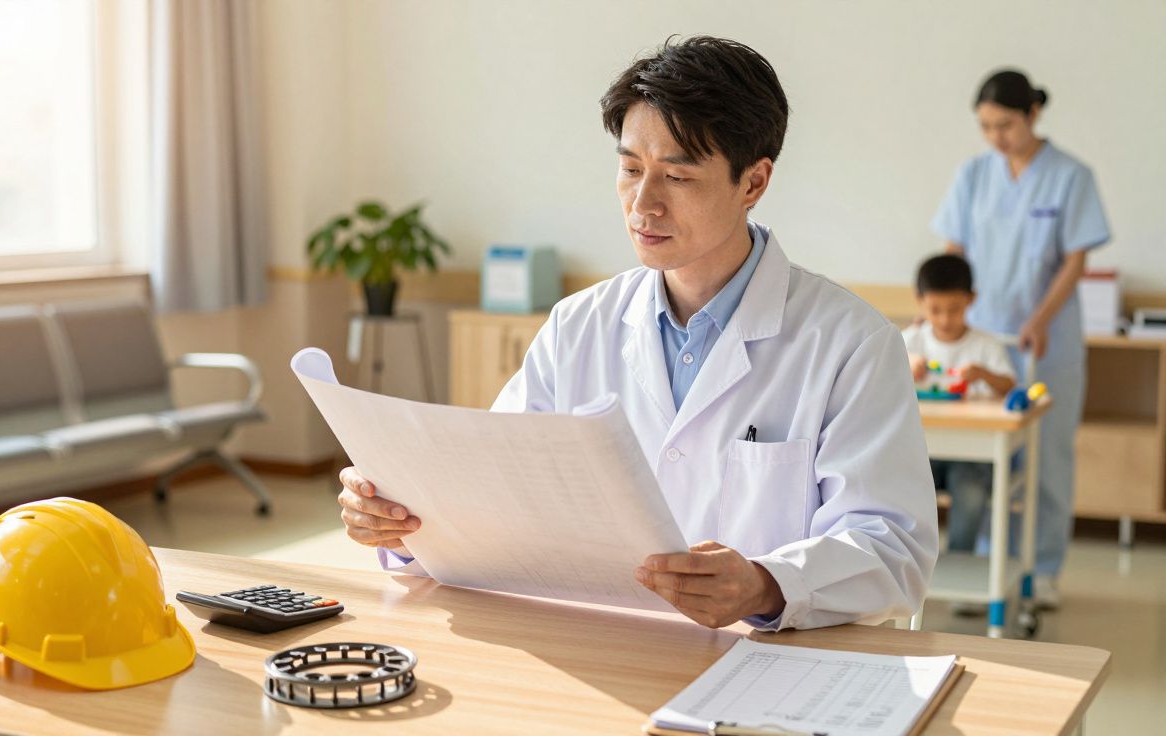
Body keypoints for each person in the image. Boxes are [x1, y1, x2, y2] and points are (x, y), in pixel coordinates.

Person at [337, 36, 937, 631]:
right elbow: (495, 505)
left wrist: (768, 584)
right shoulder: (577, 327)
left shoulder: (852, 344)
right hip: (601, 651)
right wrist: (406, 526)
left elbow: (893, 548)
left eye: (676, 178)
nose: (642, 205)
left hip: (770, 668)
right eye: (630, 169)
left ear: (753, 182)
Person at [931, 69, 1110, 610]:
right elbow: (952, 252)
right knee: (983, 463)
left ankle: (1043, 570)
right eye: (986, 127)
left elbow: (1075, 260)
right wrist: (949, 317)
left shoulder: (1070, 177)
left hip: (1043, 343)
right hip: (981, 342)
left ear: (1032, 113)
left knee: (1046, 458)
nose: (996, 137)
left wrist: (1039, 319)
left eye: (1005, 124)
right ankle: (982, 573)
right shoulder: (973, 175)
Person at [903, 254, 1015, 569]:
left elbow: (1008, 385)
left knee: (971, 493)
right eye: (935, 310)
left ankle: (960, 564)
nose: (945, 319)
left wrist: (983, 375)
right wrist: (905, 367)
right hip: (922, 451)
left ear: (971, 300)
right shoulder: (910, 341)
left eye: (954, 309)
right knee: (904, 489)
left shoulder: (985, 345)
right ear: (920, 301)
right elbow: (879, 383)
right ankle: (913, 567)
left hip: (972, 456)